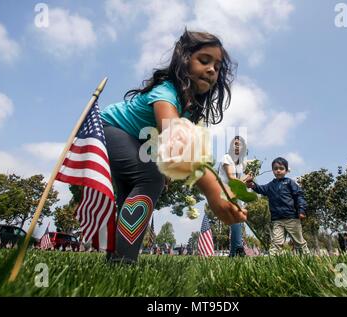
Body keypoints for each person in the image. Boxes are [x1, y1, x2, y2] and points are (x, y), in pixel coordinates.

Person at [100, 29, 247, 264]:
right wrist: (213, 189)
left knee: (134, 191)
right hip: (108, 127)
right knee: (149, 179)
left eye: (217, 67)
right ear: (184, 59)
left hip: (137, 142)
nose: (212, 70)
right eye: (204, 60)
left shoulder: (188, 108)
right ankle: (124, 262)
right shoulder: (166, 92)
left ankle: (117, 258)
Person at [246, 157, 310, 255]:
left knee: (299, 241)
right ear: (273, 170)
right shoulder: (271, 185)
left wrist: (301, 210)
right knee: (276, 242)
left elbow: (299, 195)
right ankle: (272, 261)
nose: (278, 171)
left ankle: (307, 257)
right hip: (277, 220)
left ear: (286, 170)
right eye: (275, 168)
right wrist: (252, 184)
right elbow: (261, 189)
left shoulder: (289, 183)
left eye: (281, 168)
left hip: (292, 218)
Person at [218, 136, 248, 257]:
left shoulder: (241, 163)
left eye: (239, 144)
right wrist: (247, 178)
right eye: (234, 144)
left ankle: (233, 252)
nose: (236, 146)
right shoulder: (226, 158)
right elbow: (231, 177)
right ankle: (238, 248)